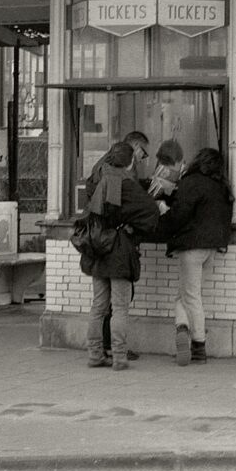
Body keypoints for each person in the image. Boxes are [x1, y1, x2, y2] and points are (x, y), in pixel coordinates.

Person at [81, 141, 159, 371]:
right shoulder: (126, 184)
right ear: (130, 161)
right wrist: (132, 226)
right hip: (118, 250)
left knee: (98, 306)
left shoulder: (97, 178)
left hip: (97, 248)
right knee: (120, 307)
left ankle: (95, 354)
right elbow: (150, 210)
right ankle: (119, 356)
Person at [156, 148, 234, 366]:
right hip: (212, 248)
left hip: (191, 246)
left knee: (191, 296)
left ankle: (198, 345)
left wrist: (163, 209)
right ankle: (182, 328)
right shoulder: (222, 186)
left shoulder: (192, 182)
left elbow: (179, 215)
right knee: (188, 293)